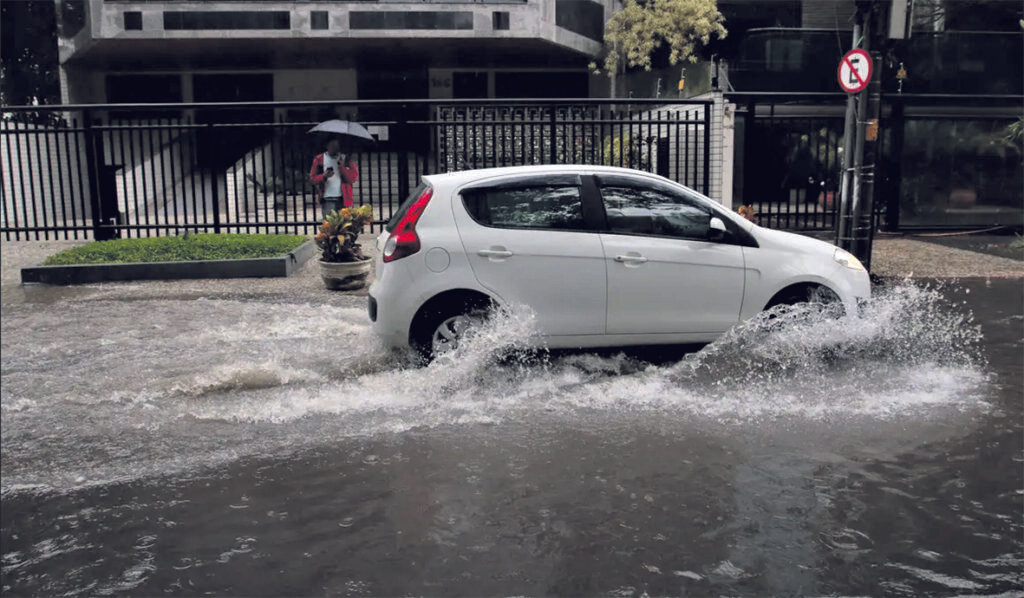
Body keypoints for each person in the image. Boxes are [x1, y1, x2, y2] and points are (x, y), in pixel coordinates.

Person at [309, 137, 359, 218]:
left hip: (344, 198)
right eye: (332, 145)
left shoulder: (345, 159)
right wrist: (324, 176)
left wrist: (342, 167)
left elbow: (352, 179)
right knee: (329, 226)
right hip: (328, 198)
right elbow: (312, 179)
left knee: (346, 226)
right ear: (326, 145)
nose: (335, 148)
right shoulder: (319, 159)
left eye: (336, 146)